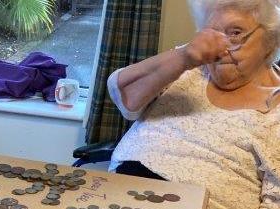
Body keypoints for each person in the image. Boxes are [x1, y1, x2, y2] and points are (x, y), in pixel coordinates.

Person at [107, 0, 280, 208]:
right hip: (119, 193)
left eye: (235, 33)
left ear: (270, 40)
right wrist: (183, 57)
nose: (220, 48)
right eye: (212, 34)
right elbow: (124, 96)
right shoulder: (189, 63)